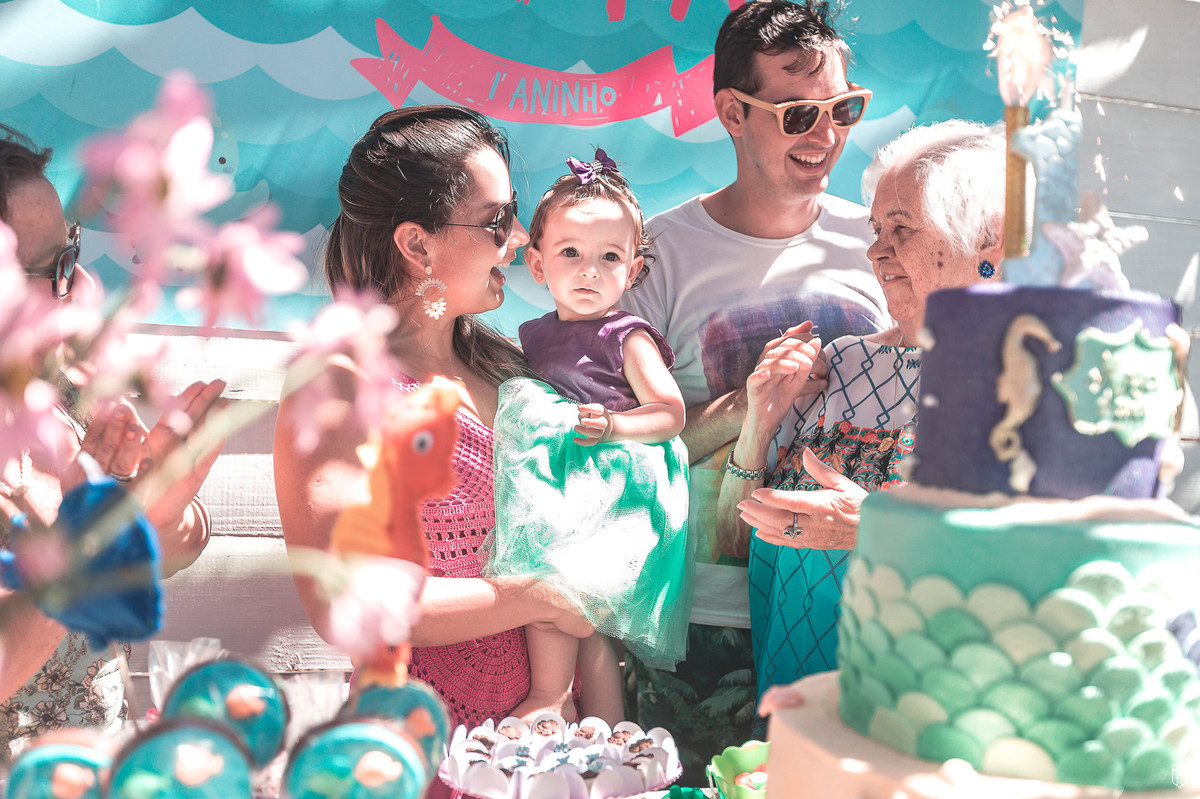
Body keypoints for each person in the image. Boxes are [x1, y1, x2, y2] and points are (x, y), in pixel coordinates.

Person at [616, 0, 889, 772]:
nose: (826, 134)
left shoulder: (877, 243)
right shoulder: (657, 254)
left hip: (855, 604)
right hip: (702, 620)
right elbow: (614, 447)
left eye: (844, 108)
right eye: (798, 112)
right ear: (733, 111)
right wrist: (749, 405)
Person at [273, 107, 593, 751]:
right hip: (419, 754)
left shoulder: (513, 368)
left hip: (555, 749)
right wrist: (538, 597)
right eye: (497, 220)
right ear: (418, 245)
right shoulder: (340, 381)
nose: (520, 237)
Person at [721, 119, 1006, 710]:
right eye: (877, 229)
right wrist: (757, 427)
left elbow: (1049, 560)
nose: (877, 250)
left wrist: (878, 527)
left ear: (989, 239)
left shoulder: (1036, 381)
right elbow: (735, 538)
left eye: (901, 228)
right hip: (796, 718)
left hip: (933, 725)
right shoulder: (842, 364)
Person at [0, 126, 225, 755]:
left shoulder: (60, 382)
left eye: (69, 256)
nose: (72, 287)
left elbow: (172, 549)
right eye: (51, 269)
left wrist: (163, 496)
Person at [484, 152, 691, 724]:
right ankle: (605, 729)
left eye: (609, 258)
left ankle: (549, 698)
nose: (588, 271)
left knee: (560, 602)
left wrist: (615, 425)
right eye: (570, 253)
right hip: (568, 478)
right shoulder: (536, 334)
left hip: (616, 484)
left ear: (633, 270)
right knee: (593, 631)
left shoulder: (627, 337)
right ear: (538, 263)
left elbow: (670, 414)